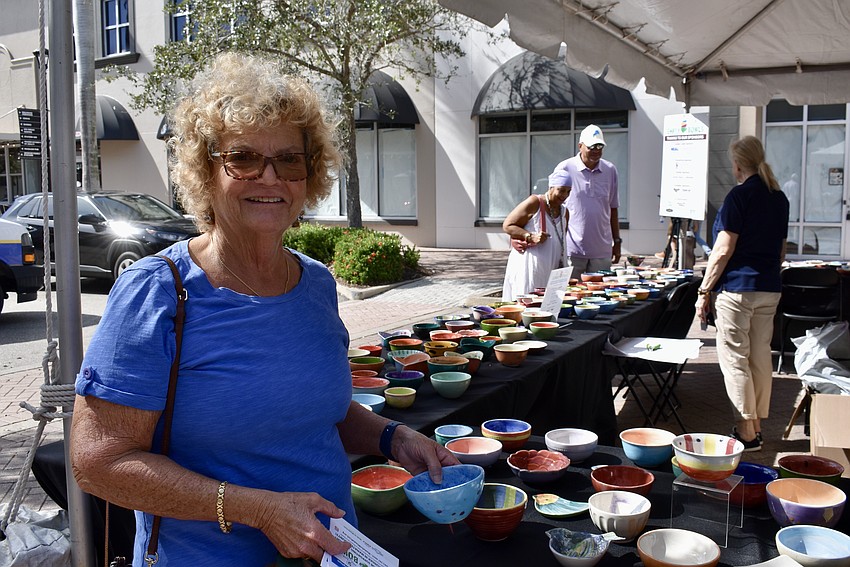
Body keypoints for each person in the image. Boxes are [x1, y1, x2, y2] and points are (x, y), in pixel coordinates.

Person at [70, 52, 457, 566]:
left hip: (336, 553)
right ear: (206, 171)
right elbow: (99, 463)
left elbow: (314, 409)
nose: (269, 177)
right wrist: (257, 510)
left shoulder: (316, 283)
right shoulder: (157, 293)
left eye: (289, 159)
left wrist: (393, 437)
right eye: (244, 158)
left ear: (310, 174)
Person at [695, 135, 789, 452]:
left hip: (737, 289)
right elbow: (780, 251)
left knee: (735, 361)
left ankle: (746, 433)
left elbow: (722, 250)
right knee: (760, 358)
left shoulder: (738, 197)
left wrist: (704, 289)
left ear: (737, 165)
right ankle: (757, 426)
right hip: (769, 287)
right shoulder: (779, 197)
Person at [553, 124, 622, 274]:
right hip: (571, 249)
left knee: (599, 295)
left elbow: (613, 208)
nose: (596, 151)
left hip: (602, 251)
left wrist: (617, 241)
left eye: (600, 146)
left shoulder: (610, 170)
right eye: (591, 146)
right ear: (580, 146)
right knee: (571, 294)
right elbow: (552, 206)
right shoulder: (565, 168)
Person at [501, 170, 571, 300]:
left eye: (568, 191)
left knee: (549, 307)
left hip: (553, 268)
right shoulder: (535, 202)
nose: (564, 195)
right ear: (551, 188)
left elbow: (561, 240)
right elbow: (508, 225)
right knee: (527, 303)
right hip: (529, 267)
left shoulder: (564, 212)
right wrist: (530, 236)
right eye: (561, 190)